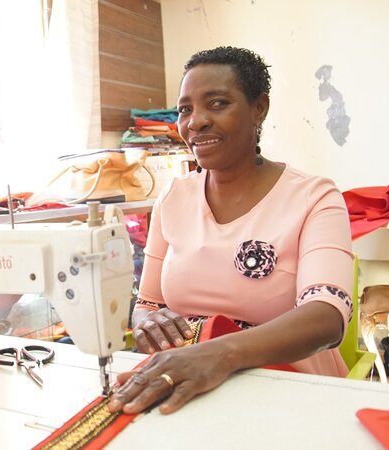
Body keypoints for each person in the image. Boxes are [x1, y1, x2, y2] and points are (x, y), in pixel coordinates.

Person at [108, 46, 354, 415]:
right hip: (190, 387)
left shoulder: (314, 197)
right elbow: (147, 305)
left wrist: (218, 355)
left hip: (292, 391)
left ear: (259, 108)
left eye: (217, 103)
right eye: (185, 109)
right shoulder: (173, 197)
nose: (196, 122)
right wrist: (148, 323)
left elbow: (327, 317)